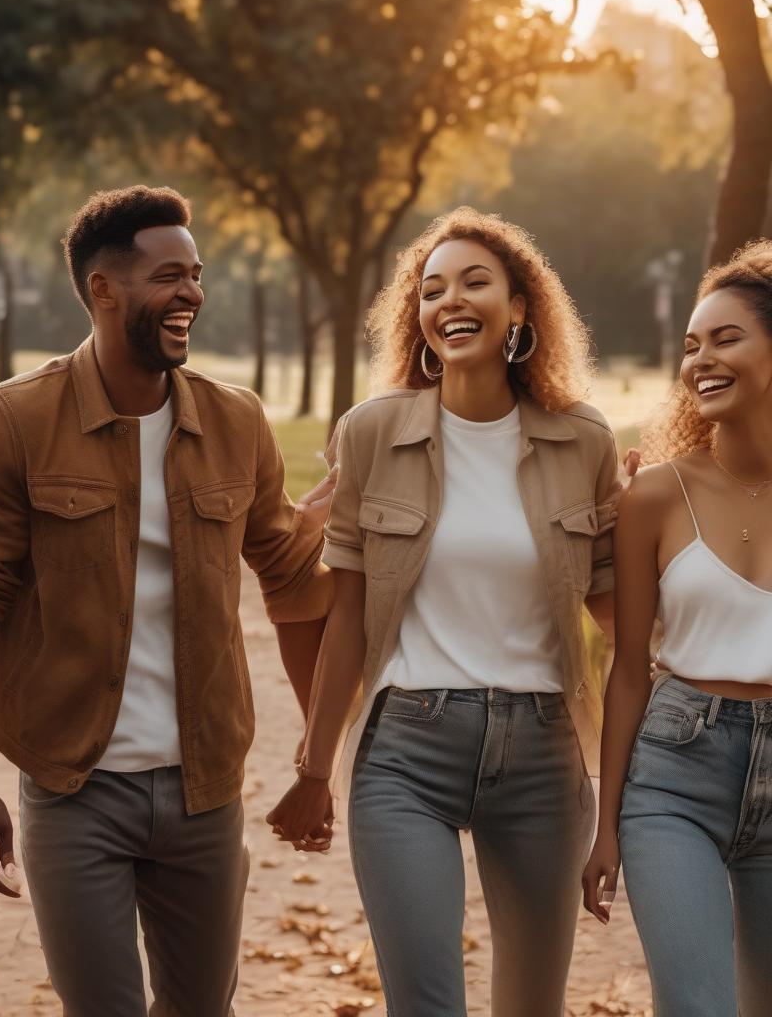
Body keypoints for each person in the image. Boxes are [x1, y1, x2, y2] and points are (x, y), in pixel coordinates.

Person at [0, 185, 335, 1016]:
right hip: (74, 789)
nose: (191, 292)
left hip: (205, 788)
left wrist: (316, 757)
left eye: (196, 274)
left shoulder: (236, 421)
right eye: (168, 276)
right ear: (103, 289)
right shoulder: (15, 420)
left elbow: (291, 573)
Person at [268, 207, 631, 1017]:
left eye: (474, 282)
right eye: (432, 290)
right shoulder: (372, 433)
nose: (450, 301)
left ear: (520, 306)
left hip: (543, 757)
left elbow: (617, 621)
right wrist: (314, 769)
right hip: (407, 751)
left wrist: (649, 534)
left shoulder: (582, 440)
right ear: (419, 316)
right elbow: (348, 620)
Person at [583, 241, 772, 1017]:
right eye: (692, 346)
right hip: (675, 774)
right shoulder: (656, 496)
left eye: (726, 339)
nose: (701, 360)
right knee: (697, 1005)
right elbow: (629, 669)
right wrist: (606, 827)